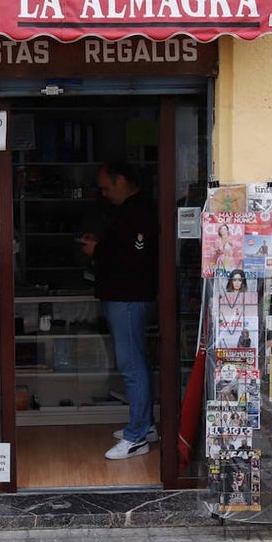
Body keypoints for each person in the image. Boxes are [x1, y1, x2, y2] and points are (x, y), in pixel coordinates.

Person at [80, 160, 158, 459]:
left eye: (106, 186)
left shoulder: (137, 212)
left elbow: (133, 256)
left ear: (122, 180)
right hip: (125, 296)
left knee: (131, 365)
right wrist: (100, 246)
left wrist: (97, 251)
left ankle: (136, 436)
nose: (103, 193)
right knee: (137, 362)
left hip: (128, 297)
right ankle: (145, 424)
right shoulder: (130, 211)